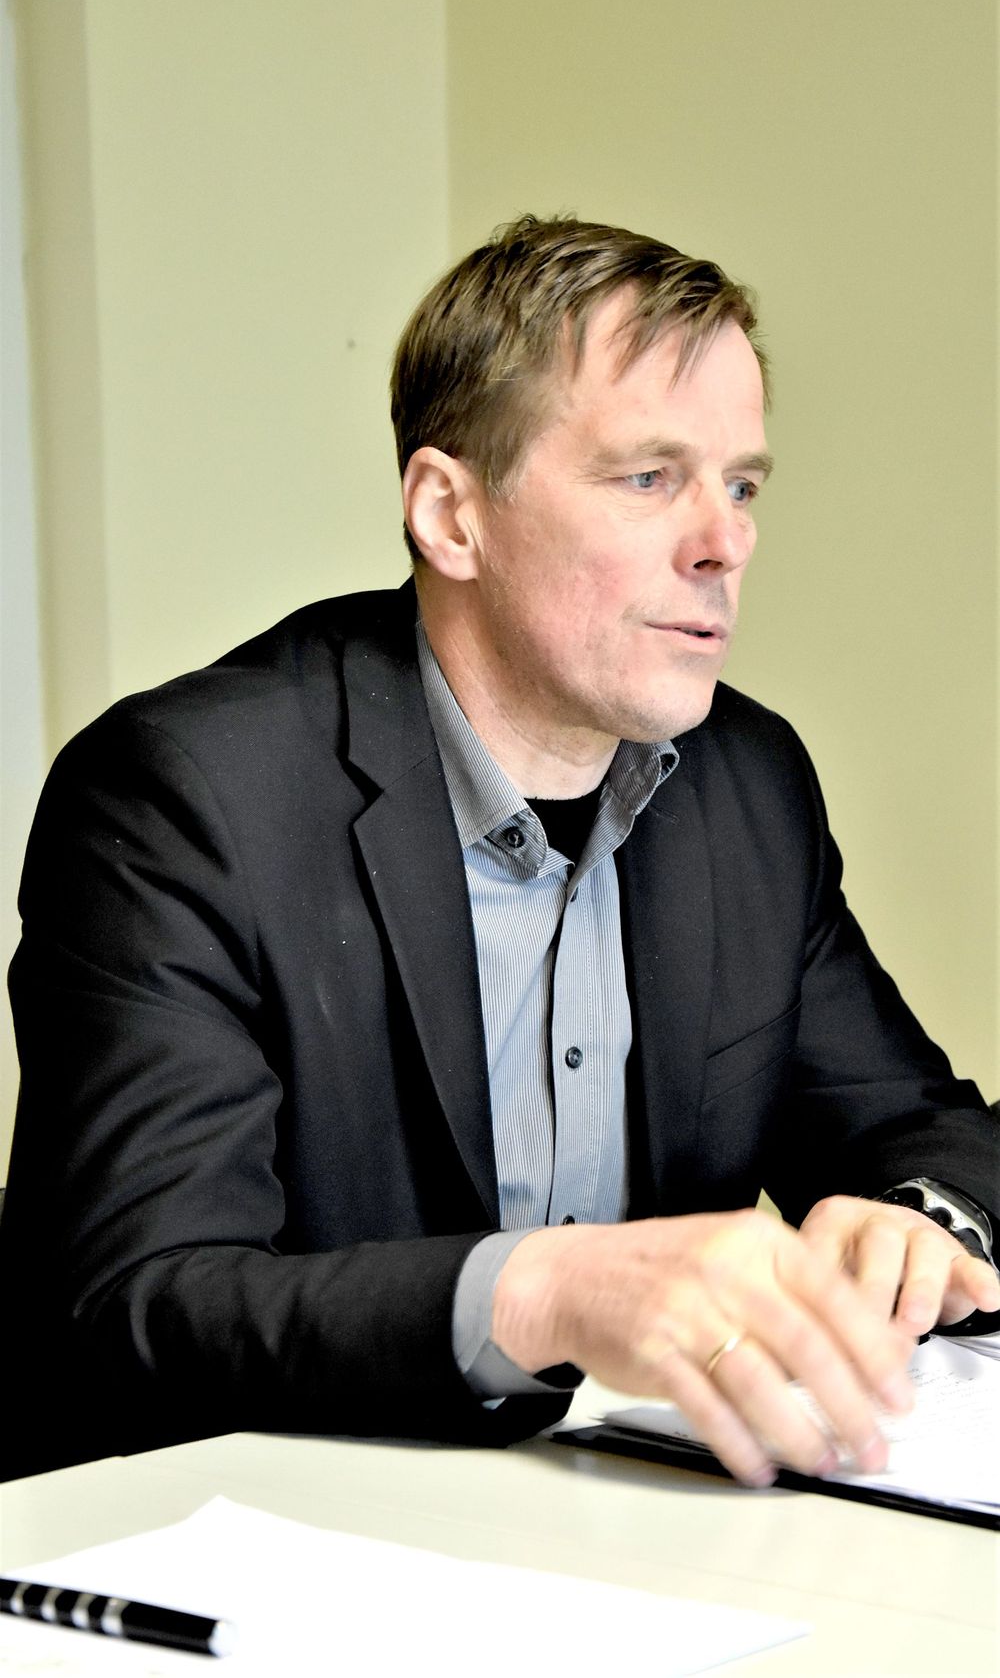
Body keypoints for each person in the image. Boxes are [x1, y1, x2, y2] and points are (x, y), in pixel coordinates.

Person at [3, 216, 998, 1486]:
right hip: (259, 1540)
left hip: (619, 1527)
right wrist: (541, 1293)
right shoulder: (184, 798)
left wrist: (916, 1222)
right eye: (649, 478)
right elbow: (134, 1306)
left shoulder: (748, 784)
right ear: (451, 515)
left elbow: (921, 1129)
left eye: (742, 484)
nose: (725, 540)